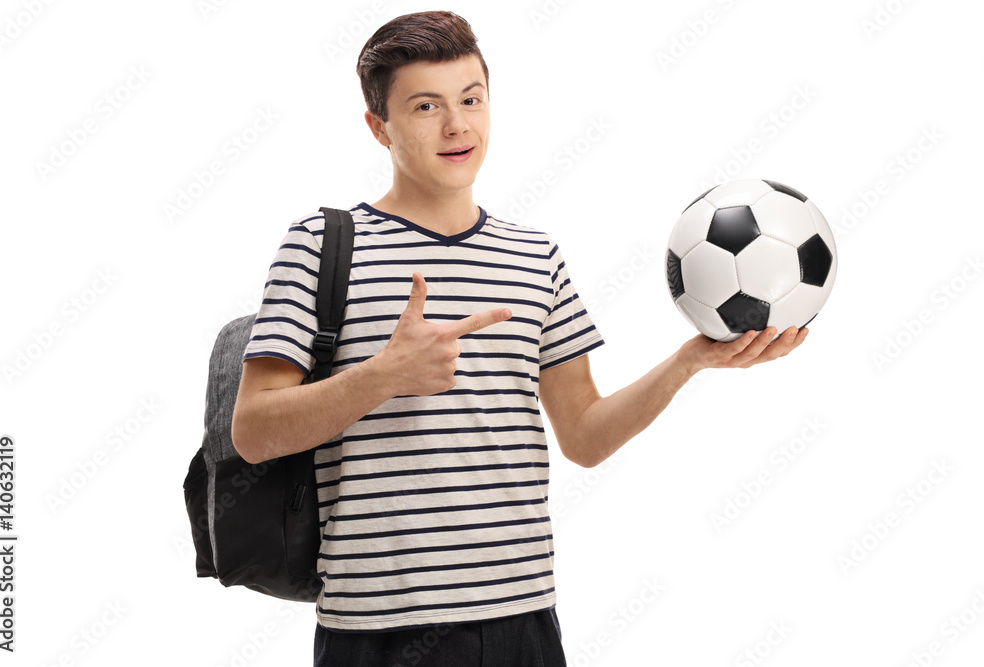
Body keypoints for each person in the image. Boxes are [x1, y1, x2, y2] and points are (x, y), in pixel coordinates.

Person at [230, 10, 807, 667]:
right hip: (378, 630)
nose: (458, 126)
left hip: (522, 623)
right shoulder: (321, 245)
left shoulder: (535, 257)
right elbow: (253, 431)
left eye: (471, 99)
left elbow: (584, 435)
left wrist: (688, 361)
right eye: (426, 106)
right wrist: (382, 375)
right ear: (378, 126)